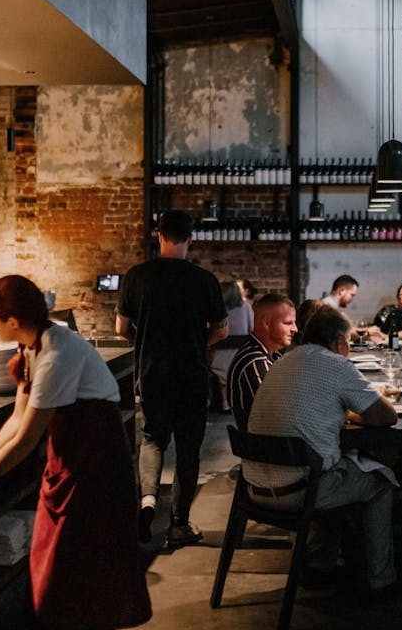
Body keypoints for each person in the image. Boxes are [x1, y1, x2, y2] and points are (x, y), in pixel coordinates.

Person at [0, 275, 151, 630]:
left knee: (90, 565)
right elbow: (17, 417)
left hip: (94, 471)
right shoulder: (36, 345)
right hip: (70, 464)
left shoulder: (57, 353)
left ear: (11, 320)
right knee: (52, 563)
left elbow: (28, 436)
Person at [247, 305, 402, 601]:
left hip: (255, 487)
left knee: (335, 465)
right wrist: (359, 409)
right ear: (338, 342)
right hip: (299, 492)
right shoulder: (336, 364)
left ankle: (321, 564)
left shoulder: (283, 360)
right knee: (381, 479)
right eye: (348, 341)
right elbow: (386, 416)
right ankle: (382, 580)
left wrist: (347, 413)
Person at [115, 209, 228, 548]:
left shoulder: (136, 276)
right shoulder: (204, 280)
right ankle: (179, 523)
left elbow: (121, 328)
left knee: (152, 440)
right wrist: (197, 342)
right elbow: (222, 331)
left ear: (159, 236)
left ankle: (148, 502)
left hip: (152, 374)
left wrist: (148, 344)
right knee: (189, 449)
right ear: (190, 240)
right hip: (191, 375)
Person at [226, 293, 297, 430]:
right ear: (266, 323)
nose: (295, 329)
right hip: (268, 445)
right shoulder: (255, 361)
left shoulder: (268, 355)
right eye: (288, 323)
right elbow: (280, 413)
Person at [209, 280, 254, 413]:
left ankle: (224, 404)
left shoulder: (218, 308)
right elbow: (252, 328)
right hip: (240, 352)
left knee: (221, 376)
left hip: (220, 353)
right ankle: (232, 403)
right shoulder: (245, 307)